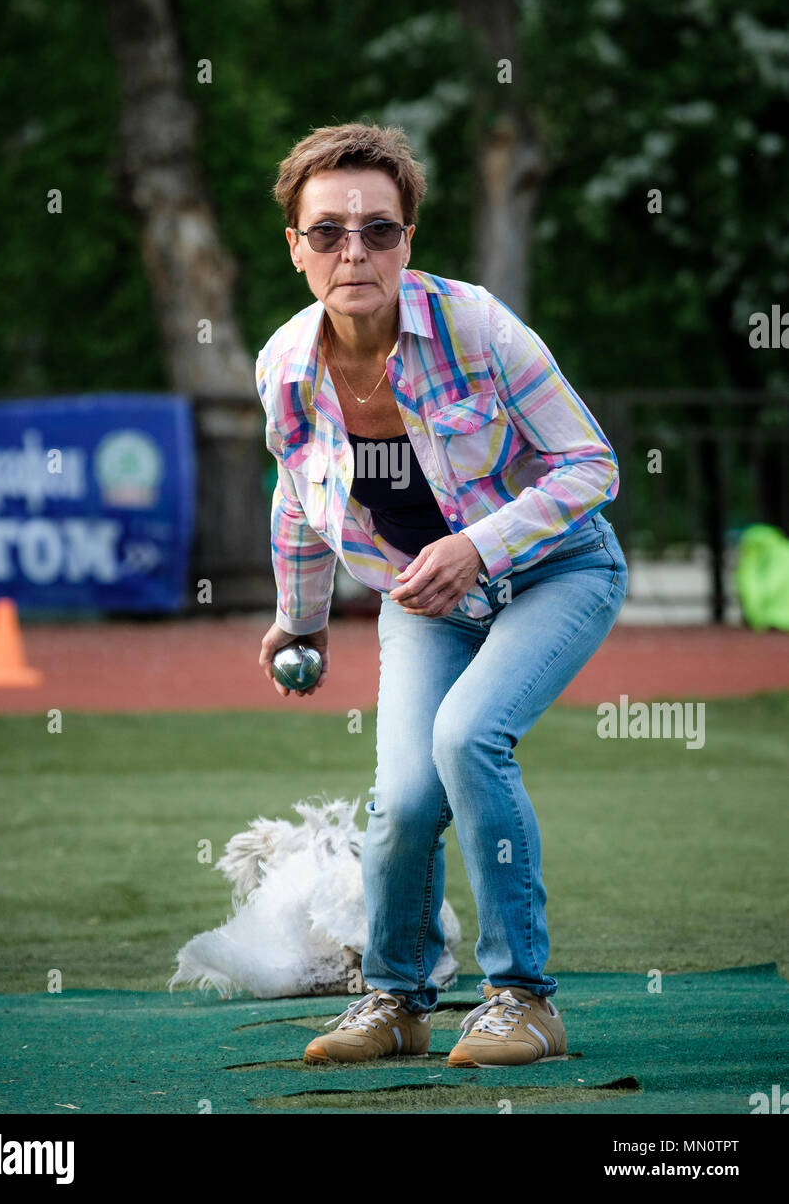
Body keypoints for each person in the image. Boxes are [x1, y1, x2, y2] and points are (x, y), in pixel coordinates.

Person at [255, 121, 629, 1067]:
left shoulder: (477, 326)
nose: (355, 250)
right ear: (296, 247)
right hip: (424, 604)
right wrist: (298, 621)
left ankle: (522, 1000)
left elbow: (591, 465)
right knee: (405, 799)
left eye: (379, 229)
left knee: (469, 737)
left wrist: (478, 542)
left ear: (407, 240)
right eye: (329, 231)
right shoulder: (286, 368)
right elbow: (298, 500)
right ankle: (395, 1000)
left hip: (557, 568)